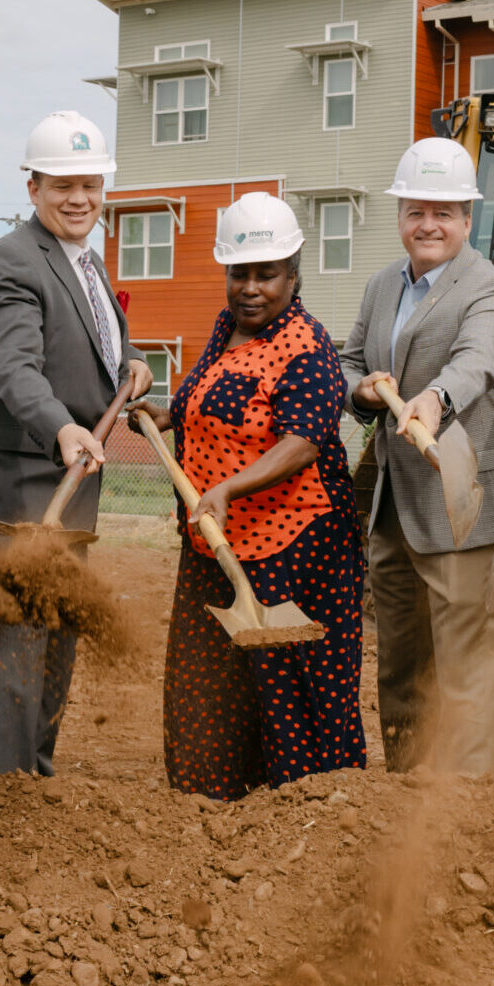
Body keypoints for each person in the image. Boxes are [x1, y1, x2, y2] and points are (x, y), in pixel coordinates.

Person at [0, 110, 151, 775]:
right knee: (23, 642)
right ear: (33, 189)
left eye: (90, 184)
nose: (79, 198)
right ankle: (1, 789)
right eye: (62, 185)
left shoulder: (82, 261)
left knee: (57, 642)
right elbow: (13, 366)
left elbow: (84, 346)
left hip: (66, 491)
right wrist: (61, 426)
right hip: (14, 487)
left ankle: (35, 775)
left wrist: (132, 361)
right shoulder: (11, 262)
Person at [133, 194, 367, 800]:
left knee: (290, 688)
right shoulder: (223, 330)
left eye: (267, 274)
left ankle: (306, 808)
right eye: (241, 273)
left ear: (293, 273)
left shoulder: (307, 346)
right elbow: (207, 406)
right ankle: (211, 803)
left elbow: (305, 441)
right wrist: (167, 417)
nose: (252, 288)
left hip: (293, 547)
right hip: (215, 542)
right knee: (206, 680)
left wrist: (229, 487)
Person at [339, 138, 494, 775]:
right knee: (401, 663)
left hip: (463, 506)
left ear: (468, 220)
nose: (429, 225)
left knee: (466, 672)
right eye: (417, 210)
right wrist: (360, 391)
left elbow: (479, 357)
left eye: (444, 212)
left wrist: (436, 396)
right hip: (394, 509)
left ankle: (461, 808)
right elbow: (349, 360)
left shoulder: (493, 290)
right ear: (399, 217)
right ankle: (406, 790)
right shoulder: (381, 286)